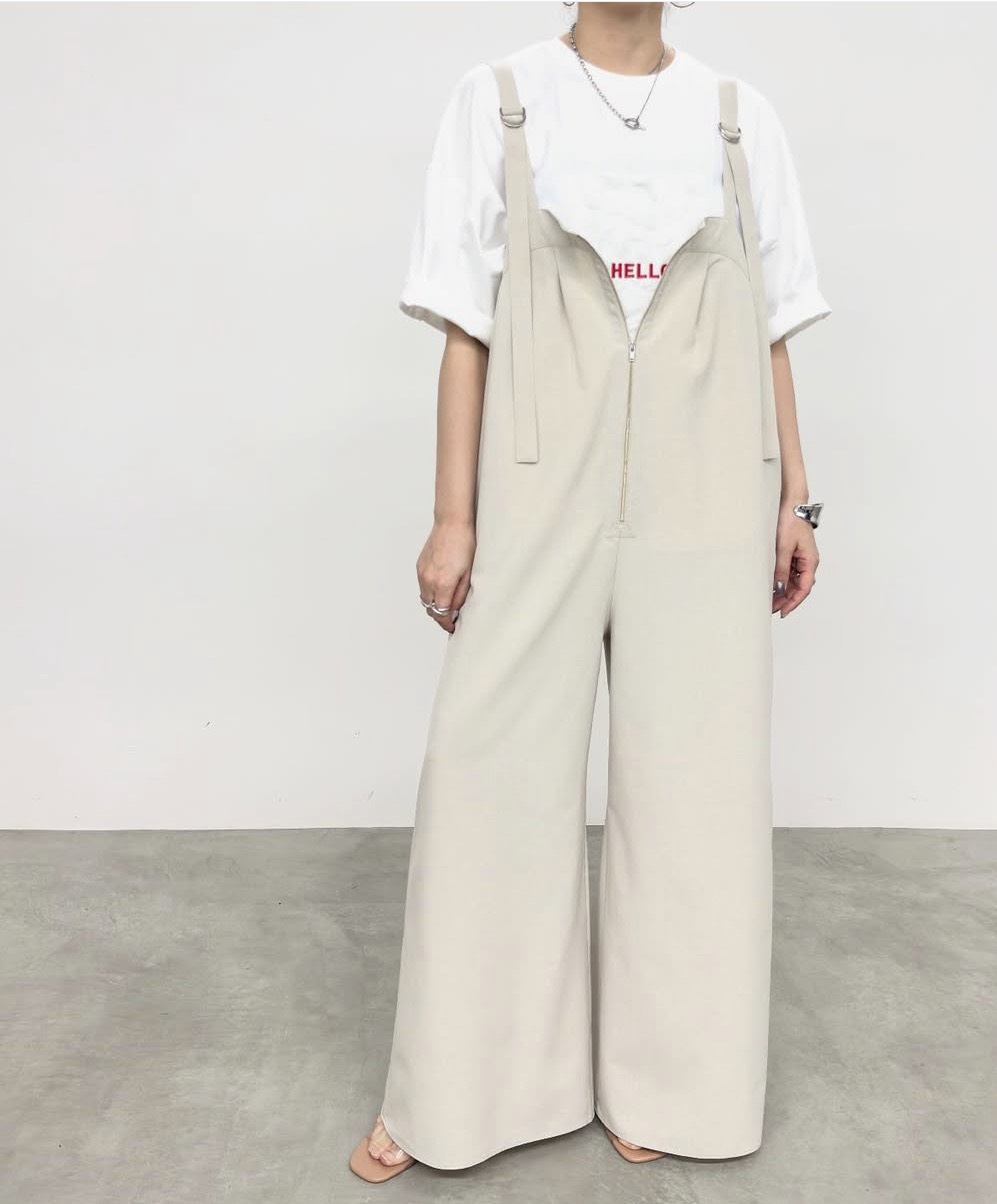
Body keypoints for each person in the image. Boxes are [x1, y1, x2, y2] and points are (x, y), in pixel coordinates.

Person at [350, 0, 829, 1183]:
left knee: (698, 786)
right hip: (536, 477)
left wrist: (796, 497)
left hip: (710, 480)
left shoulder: (736, 117)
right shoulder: (500, 99)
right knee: (488, 774)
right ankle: (455, 1092)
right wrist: (454, 513)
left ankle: (673, 1082)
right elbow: (464, 325)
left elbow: (770, 326)